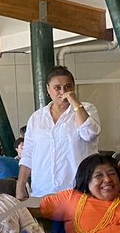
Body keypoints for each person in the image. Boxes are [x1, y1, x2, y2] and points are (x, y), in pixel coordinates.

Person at [16, 67, 100, 201]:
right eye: (57, 88)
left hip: (77, 191)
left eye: (68, 87)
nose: (63, 92)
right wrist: (20, 185)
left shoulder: (87, 109)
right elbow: (28, 154)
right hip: (43, 190)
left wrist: (75, 103)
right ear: (48, 90)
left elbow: (89, 134)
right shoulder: (37, 117)